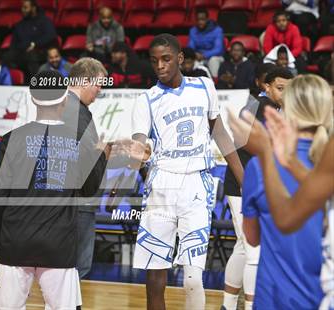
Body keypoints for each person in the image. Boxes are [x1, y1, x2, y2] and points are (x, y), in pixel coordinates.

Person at [0, 69, 112, 309]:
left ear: (32, 98)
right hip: (58, 245)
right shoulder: (79, 142)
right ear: (64, 99)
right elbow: (89, 191)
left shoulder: (11, 139)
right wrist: (100, 156)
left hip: (15, 243)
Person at [131, 33, 244, 310]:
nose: (160, 65)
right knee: (155, 271)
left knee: (193, 276)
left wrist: (243, 176)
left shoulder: (204, 86)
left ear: (180, 58)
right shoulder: (146, 99)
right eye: (154, 60)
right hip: (162, 184)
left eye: (166, 59)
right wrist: (137, 157)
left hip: (197, 183)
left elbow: (219, 132)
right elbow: (137, 145)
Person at [229, 74, 333, 310]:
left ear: (287, 110)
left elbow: (252, 238)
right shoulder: (324, 162)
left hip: (273, 298)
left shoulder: (260, 165)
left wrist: (267, 154)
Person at [221, 66, 293, 310]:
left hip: (253, 184)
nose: (285, 93)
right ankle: (252, 306)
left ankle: (228, 305)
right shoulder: (258, 106)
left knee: (243, 247)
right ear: (267, 86)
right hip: (244, 183)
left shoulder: (274, 109)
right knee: (254, 251)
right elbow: (242, 143)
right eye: (280, 88)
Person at [61, 57, 109, 279]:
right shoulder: (77, 112)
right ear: (84, 80)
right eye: (98, 84)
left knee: (64, 271)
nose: (100, 90)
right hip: (77, 200)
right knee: (74, 269)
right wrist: (104, 152)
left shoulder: (61, 105)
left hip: (62, 199)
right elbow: (86, 162)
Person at [4, 0, 57, 79]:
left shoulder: (44, 21)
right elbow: (14, 43)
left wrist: (35, 44)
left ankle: (37, 82)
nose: (23, 10)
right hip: (22, 52)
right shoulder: (20, 24)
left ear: (33, 8)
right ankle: (17, 80)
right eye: (22, 7)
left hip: (40, 51)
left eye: (25, 7)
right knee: (7, 56)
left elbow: (50, 35)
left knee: (31, 55)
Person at [187, 8, 224, 78]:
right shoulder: (193, 31)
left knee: (213, 61)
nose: (200, 22)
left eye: (203, 19)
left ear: (207, 19)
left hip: (214, 57)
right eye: (198, 20)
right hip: (198, 57)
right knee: (190, 61)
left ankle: (215, 83)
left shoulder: (217, 30)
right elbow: (190, 47)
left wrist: (204, 55)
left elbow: (218, 49)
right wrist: (195, 54)